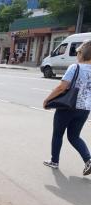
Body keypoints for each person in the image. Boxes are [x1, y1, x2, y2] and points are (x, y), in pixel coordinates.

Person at [43, 40, 91, 176]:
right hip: (85, 108)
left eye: (78, 52)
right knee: (74, 136)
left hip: (68, 107)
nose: (77, 55)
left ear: (82, 53)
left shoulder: (75, 67)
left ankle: (54, 161)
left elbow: (62, 87)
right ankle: (89, 159)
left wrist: (48, 99)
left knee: (58, 134)